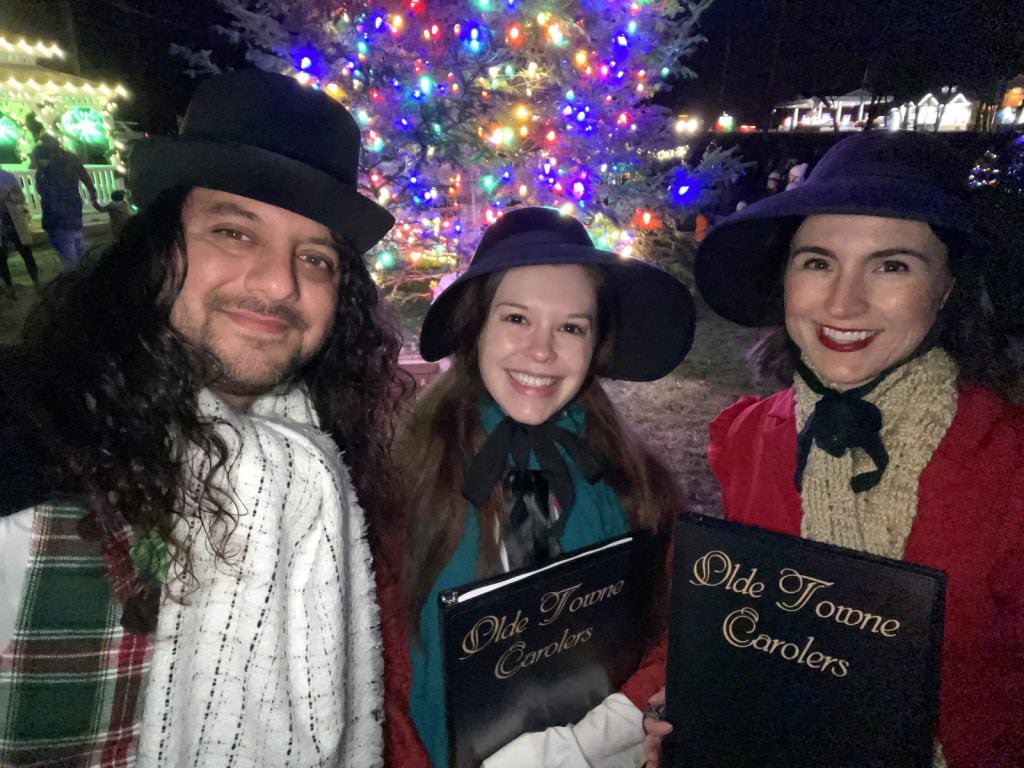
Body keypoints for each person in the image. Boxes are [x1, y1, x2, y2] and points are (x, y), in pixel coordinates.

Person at [0, 69, 406, 766]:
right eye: (234, 232)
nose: (280, 283)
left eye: (316, 258)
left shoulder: (329, 478)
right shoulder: (28, 446)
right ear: (158, 247)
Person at [686, 131, 1023, 767]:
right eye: (817, 261)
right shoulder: (746, 441)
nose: (844, 302)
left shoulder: (1010, 467)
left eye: (892, 265)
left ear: (949, 286)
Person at [378, 206, 696, 767]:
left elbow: (671, 633)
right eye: (517, 319)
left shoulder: (637, 484)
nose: (542, 351)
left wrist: (595, 739)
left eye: (571, 327)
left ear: (596, 344)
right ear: (475, 327)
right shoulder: (404, 479)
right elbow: (387, 666)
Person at [30, 133, 101, 270]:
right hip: (73, 211)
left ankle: (76, 283)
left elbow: (45, 192)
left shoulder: (48, 167)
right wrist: (93, 195)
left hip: (59, 218)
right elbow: (86, 178)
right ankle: (84, 277)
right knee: (79, 249)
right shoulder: (71, 158)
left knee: (69, 258)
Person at [0, 168, 39, 295]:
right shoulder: (7, 176)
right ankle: (9, 287)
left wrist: (9, 195)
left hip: (13, 220)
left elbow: (20, 198)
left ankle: (36, 282)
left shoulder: (7, 176)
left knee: (25, 251)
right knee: (1, 257)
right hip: (5, 222)